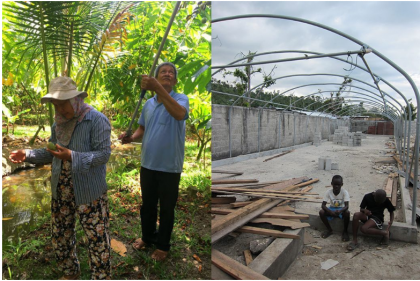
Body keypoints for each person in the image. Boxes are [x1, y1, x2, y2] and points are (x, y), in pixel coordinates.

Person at [9, 76, 112, 280]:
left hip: (88, 191)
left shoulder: (96, 120)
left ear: (75, 99)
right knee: (61, 236)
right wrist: (28, 154)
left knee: (97, 238)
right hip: (61, 188)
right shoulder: (58, 124)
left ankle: (101, 277)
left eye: (63, 104)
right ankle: (70, 273)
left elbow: (103, 155)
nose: (60, 110)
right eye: (56, 105)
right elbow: (52, 153)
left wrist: (72, 156)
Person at [118, 62, 189, 262]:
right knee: (147, 204)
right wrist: (131, 138)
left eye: (171, 73)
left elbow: (179, 114)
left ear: (175, 80)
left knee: (167, 208)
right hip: (148, 163)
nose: (167, 74)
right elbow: (143, 128)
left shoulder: (181, 99)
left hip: (169, 166)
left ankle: (163, 245)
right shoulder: (149, 104)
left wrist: (156, 88)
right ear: (156, 77)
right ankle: (148, 237)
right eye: (163, 72)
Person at [319, 175, 350, 241]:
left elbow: (346, 206)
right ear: (331, 184)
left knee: (347, 213)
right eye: (335, 184)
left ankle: (345, 231)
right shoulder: (328, 192)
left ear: (342, 184)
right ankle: (329, 230)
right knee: (321, 212)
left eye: (338, 185)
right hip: (332, 209)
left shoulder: (344, 192)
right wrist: (330, 212)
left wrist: (340, 211)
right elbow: (323, 205)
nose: (336, 186)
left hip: (341, 209)